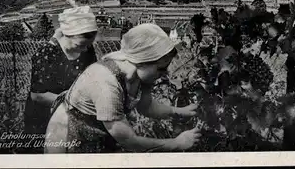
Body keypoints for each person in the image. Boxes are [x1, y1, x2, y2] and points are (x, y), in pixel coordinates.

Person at [44, 23, 201, 153]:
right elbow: (129, 141)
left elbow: (146, 107)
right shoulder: (106, 83)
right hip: (67, 141)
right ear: (141, 60)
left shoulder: (142, 73)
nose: (165, 73)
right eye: (161, 68)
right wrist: (176, 143)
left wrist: (180, 112)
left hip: (97, 136)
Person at [21, 6, 98, 153]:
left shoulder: (87, 49)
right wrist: (74, 103)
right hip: (44, 119)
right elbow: (38, 95)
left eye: (87, 45)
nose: (83, 50)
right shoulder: (47, 53)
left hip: (77, 118)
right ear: (67, 35)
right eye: (79, 45)